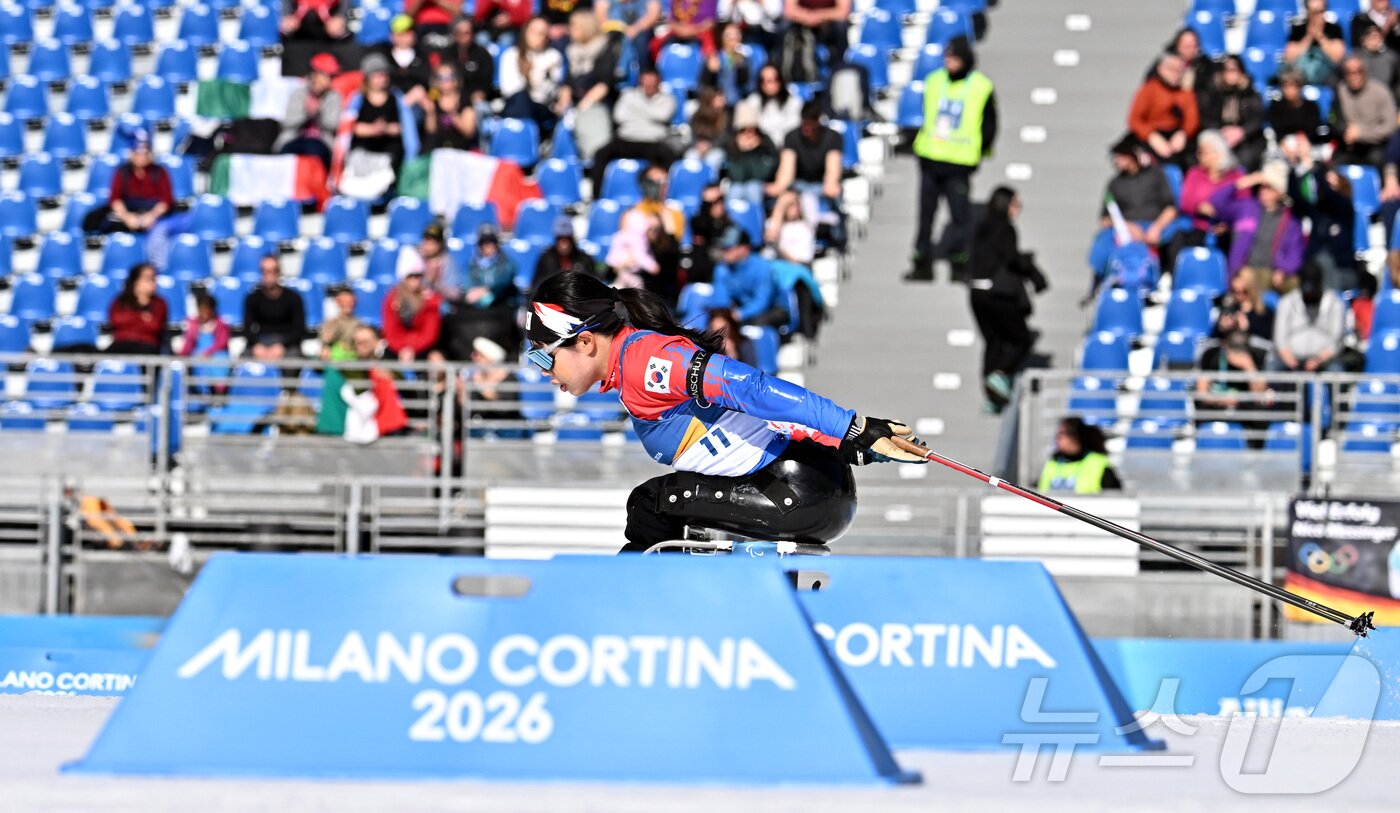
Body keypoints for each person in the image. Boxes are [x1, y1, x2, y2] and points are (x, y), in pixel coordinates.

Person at [525, 271, 928, 552]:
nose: (546, 374)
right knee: (657, 504)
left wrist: (850, 428)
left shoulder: (645, 363)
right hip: (806, 483)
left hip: (795, 494)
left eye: (545, 359)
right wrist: (842, 444)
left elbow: (749, 388)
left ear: (585, 341)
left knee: (650, 506)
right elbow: (753, 422)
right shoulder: (633, 366)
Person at [906, 35, 998, 282]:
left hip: (959, 162)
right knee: (926, 214)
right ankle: (921, 260)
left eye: (954, 57)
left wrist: (979, 151)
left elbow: (990, 124)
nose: (949, 62)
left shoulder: (980, 86)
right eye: (947, 57)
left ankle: (959, 262)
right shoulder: (934, 81)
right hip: (931, 157)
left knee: (960, 216)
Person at [967, 187, 1047, 413]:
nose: (1018, 209)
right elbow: (1011, 258)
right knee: (1021, 339)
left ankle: (991, 399)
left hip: (976, 293)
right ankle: (999, 376)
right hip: (997, 294)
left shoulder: (981, 226)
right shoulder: (1005, 228)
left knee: (993, 341)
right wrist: (1033, 272)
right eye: (1015, 204)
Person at [1088, 135, 1180, 281]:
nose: (1116, 161)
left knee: (1178, 237)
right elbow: (1105, 218)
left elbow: (1171, 208)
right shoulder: (1115, 183)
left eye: (1120, 157)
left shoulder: (1156, 175)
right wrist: (1127, 227)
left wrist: (1156, 229)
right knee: (1102, 244)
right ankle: (1103, 283)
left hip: (1157, 226)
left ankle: (1168, 279)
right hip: (1126, 228)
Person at [1207, 161, 1306, 294]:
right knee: (1247, 279)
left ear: (1280, 192)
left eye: (1269, 187)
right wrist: (1245, 181)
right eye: (1262, 186)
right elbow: (1217, 201)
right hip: (1244, 272)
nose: (1263, 191)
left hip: (1271, 274)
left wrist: (1283, 270)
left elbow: (1295, 253)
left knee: (1295, 284)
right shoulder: (1246, 208)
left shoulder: (1291, 221)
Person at [588, 67, 678, 192]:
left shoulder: (667, 99)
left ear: (658, 82)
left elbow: (662, 115)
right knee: (600, 153)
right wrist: (650, 114)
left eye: (652, 82)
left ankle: (667, 195)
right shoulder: (628, 95)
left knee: (670, 157)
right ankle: (596, 196)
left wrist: (636, 110)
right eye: (646, 81)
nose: (648, 85)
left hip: (652, 142)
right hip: (626, 140)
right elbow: (619, 116)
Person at [1271, 262, 1346, 373]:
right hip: (1290, 359)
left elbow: (1336, 341)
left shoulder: (1335, 303)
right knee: (1271, 369)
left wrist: (1318, 361)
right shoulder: (1287, 301)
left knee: (1337, 372)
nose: (1310, 293)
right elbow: (1280, 338)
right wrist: (1290, 360)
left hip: (1324, 361)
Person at [499, 16, 566, 139]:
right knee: (520, 99)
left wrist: (534, 76)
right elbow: (509, 89)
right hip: (515, 104)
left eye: (543, 33)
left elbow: (551, 91)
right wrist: (538, 77)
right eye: (535, 32)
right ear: (526, 32)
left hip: (541, 108)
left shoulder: (553, 56)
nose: (539, 37)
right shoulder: (511, 54)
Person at [1127, 53, 1199, 168]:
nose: (1175, 74)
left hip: (1176, 136)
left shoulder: (1185, 93)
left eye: (1179, 70)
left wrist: (1183, 134)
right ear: (1160, 69)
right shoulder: (1148, 90)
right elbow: (1134, 120)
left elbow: (1192, 119)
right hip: (1152, 136)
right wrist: (1151, 136)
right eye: (1171, 69)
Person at [1197, 55, 1267, 172]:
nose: (1231, 74)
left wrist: (1241, 132)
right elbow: (1206, 117)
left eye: (1234, 70)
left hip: (1244, 138)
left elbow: (1257, 119)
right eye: (1227, 70)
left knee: (1247, 157)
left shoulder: (1250, 93)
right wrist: (1222, 131)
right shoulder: (1213, 91)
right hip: (1219, 133)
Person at [458, 224, 521, 351]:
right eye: (484, 243)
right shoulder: (472, 265)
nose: (488, 247)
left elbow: (505, 279)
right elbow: (467, 287)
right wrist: (475, 294)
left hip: (501, 307)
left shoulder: (506, 263)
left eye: (491, 242)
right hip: (478, 311)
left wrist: (486, 290)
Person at [712, 225, 787, 328]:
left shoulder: (761, 267)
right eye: (724, 247)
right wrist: (723, 315)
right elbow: (721, 298)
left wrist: (740, 313)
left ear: (744, 249)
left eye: (729, 248)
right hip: (738, 311)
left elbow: (762, 301)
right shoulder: (722, 268)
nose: (725, 251)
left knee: (757, 323)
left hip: (769, 309)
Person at [276, 53, 342, 168]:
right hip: (294, 139)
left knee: (314, 150)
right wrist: (306, 113)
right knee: (288, 154)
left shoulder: (334, 97)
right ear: (315, 74)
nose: (329, 81)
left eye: (332, 77)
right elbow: (288, 123)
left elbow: (332, 126)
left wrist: (319, 112)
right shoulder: (299, 93)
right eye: (327, 76)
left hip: (321, 142)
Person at [1335, 56, 1397, 167]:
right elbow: (1334, 119)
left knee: (1378, 160)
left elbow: (1391, 126)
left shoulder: (1381, 91)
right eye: (1350, 72)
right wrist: (1345, 130)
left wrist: (1362, 134)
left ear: (1365, 72)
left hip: (1376, 145)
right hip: (1350, 145)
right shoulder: (1341, 90)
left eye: (1358, 71)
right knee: (1333, 165)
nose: (1355, 76)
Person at [243, 254, 307, 360]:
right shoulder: (252, 298)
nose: (269, 275)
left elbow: (299, 330)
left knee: (293, 359)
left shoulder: (293, 298)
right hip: (261, 341)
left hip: (287, 343)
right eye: (264, 271)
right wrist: (257, 345)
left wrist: (282, 346)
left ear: (279, 272)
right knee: (243, 358)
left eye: (273, 270)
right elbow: (247, 329)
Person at [382, 257, 444, 364]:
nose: (415, 280)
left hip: (423, 349)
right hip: (398, 349)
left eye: (418, 276)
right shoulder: (392, 300)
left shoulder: (430, 300)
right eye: (411, 276)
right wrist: (402, 348)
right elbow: (390, 330)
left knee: (436, 360)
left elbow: (430, 333)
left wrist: (412, 348)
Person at [1037, 418, 1121, 494]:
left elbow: (1114, 497)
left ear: (1075, 436)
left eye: (1062, 434)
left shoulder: (1097, 463)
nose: (1058, 438)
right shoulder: (1052, 463)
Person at [722, 100, 779, 209]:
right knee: (735, 190)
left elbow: (762, 175)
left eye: (752, 129)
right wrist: (742, 152)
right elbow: (737, 176)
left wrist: (753, 152)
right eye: (744, 130)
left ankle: (755, 223)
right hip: (737, 185)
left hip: (759, 186)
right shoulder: (731, 145)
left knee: (753, 188)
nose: (749, 134)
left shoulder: (765, 143)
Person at [107, 263, 168, 355]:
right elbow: (117, 321)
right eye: (148, 279)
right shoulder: (120, 301)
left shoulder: (160, 303)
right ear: (136, 281)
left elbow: (154, 327)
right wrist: (142, 316)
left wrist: (130, 317)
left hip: (147, 346)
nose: (153, 282)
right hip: (121, 344)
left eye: (154, 279)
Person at [1285, 0, 1347, 86]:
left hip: (1327, 74)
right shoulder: (1298, 29)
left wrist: (1320, 37)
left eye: (1321, 11)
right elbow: (1290, 57)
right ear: (1307, 12)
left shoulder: (1334, 29)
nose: (1319, 15)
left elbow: (1338, 58)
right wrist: (1309, 37)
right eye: (1315, 12)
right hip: (1302, 74)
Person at [420, 63, 480, 152]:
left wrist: (453, 115)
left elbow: (468, 132)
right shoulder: (433, 98)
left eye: (448, 77)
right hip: (437, 149)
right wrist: (430, 113)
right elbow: (430, 131)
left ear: (456, 79)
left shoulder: (465, 99)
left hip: (459, 149)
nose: (445, 81)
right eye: (440, 77)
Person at [533, 216, 598, 293]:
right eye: (560, 239)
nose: (564, 244)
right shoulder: (546, 259)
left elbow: (594, 287)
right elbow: (537, 287)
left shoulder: (584, 260)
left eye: (567, 239)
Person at [747, 64, 803, 150]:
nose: (770, 84)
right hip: (761, 149)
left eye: (775, 79)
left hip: (788, 148)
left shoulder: (794, 102)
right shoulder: (753, 101)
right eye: (765, 80)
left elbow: (794, 128)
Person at [1212, 271, 1275, 345]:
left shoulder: (1265, 313)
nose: (1238, 296)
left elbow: (1268, 339)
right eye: (1234, 291)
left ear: (1252, 290)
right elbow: (1214, 338)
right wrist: (1221, 328)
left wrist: (1248, 327)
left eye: (1244, 291)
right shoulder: (1228, 309)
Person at [1266, 68, 1327, 145]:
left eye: (1292, 86)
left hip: (1307, 144)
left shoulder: (1311, 107)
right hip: (1283, 145)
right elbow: (1277, 130)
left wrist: (1304, 142)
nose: (1289, 90)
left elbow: (1312, 130)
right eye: (1285, 86)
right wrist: (1284, 144)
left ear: (1299, 87)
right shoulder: (1276, 107)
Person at [384, 14, 432, 105]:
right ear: (392, 36)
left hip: (418, 103)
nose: (405, 36)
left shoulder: (422, 56)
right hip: (391, 105)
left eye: (409, 32)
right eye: (401, 33)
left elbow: (428, 82)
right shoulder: (385, 57)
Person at [178, 290, 231, 360]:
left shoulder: (221, 324)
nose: (202, 313)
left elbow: (222, 343)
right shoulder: (194, 324)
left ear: (212, 310)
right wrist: (182, 355)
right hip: (198, 356)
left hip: (216, 356)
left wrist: (208, 352)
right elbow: (189, 343)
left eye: (205, 310)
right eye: (200, 309)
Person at [1356, 18, 1400, 97]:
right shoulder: (1356, 57)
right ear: (1363, 40)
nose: (1376, 40)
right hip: (1361, 97)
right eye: (1371, 36)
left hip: (1386, 97)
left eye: (1378, 36)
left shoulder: (1392, 57)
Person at [319, 283, 363, 360]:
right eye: (343, 301)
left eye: (350, 301)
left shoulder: (359, 323)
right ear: (337, 302)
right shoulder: (331, 322)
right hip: (335, 361)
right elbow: (325, 340)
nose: (347, 304)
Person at [281, 0, 349, 42]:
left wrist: (340, 17)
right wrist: (286, 16)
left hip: (330, 37)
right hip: (297, 36)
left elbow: (345, 5)